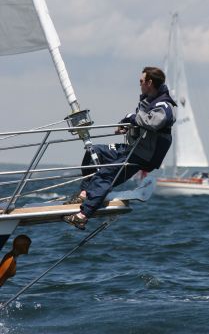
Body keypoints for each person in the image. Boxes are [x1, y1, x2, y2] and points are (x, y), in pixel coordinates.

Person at [64, 66, 177, 230]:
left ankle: (83, 216)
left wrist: (132, 117)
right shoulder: (148, 101)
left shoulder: (164, 106)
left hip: (143, 155)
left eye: (141, 81)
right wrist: (126, 124)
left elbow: (154, 122)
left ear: (149, 83)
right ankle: (84, 194)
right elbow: (141, 121)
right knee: (93, 151)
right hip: (132, 148)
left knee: (105, 175)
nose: (139, 84)